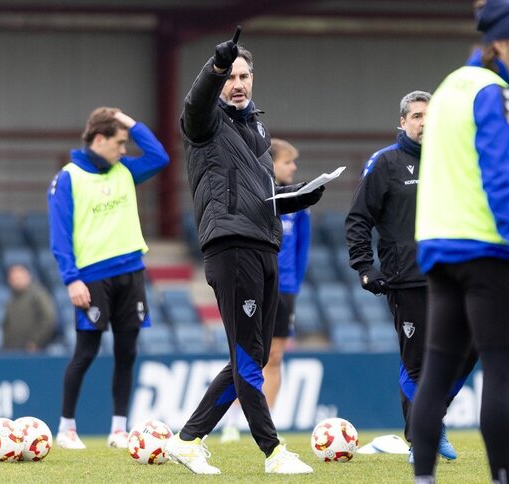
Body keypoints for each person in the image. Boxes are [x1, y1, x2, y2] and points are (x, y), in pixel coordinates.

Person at [166, 27, 323, 475]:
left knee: (248, 358)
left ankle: (188, 439)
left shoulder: (257, 126)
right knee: (247, 357)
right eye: (230, 76)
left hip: (264, 243)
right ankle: (273, 453)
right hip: (230, 245)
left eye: (243, 75)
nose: (237, 83)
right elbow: (194, 104)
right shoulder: (205, 122)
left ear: (253, 79)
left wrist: (295, 198)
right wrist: (212, 69)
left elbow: (259, 191)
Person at [411, 1, 509, 482]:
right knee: (501, 370)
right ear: (499, 44)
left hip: (438, 248)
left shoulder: (448, 89)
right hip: (488, 248)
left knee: (436, 372)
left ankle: (423, 477)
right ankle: (502, 477)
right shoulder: (496, 92)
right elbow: (500, 181)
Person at [345, 90, 477, 463]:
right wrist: (364, 266)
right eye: (417, 116)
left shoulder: (452, 161)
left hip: (452, 275)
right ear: (402, 122)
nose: (424, 122)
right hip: (408, 278)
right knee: (417, 363)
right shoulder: (384, 163)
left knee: (473, 346)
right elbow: (358, 219)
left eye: (430, 115)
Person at [48, 107, 169, 450]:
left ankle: (118, 429)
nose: (125, 150)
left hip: (131, 272)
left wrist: (129, 122)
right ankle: (67, 428)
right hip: (92, 279)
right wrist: (71, 279)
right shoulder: (67, 178)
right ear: (99, 140)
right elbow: (60, 237)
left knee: (127, 352)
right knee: (85, 352)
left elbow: (160, 157)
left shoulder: (125, 170)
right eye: (119, 142)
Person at [220, 138, 312, 444]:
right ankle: (232, 419)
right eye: (288, 162)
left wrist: (294, 288)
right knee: (248, 354)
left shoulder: (298, 203)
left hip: (285, 290)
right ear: (271, 164)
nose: (294, 167)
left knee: (275, 356)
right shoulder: (255, 195)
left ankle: (266, 422)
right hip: (256, 282)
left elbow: (302, 249)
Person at [2, 263, 57, 352]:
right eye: (13, 279)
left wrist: (35, 342)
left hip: (33, 350)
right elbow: (6, 324)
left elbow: (49, 318)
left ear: (28, 276)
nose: (16, 281)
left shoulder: (38, 294)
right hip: (12, 349)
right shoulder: (11, 299)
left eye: (19, 278)